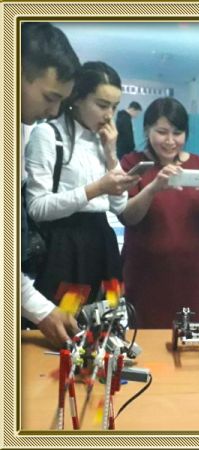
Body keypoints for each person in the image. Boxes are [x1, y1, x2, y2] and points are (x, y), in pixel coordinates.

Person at [25, 61, 140, 308]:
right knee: (68, 319)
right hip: (65, 246)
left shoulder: (104, 139)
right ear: (77, 98)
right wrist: (97, 189)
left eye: (114, 107)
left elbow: (119, 206)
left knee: (108, 316)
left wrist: (111, 154)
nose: (109, 115)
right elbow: (37, 207)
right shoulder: (48, 135)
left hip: (103, 242)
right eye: (102, 105)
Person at [119, 97, 199, 328]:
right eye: (162, 132)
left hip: (195, 275)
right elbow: (128, 216)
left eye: (177, 133)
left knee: (191, 336)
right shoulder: (133, 164)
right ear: (147, 130)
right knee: (147, 338)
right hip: (145, 275)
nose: (170, 141)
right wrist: (153, 188)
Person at [20, 22, 81, 347]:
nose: (53, 111)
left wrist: (38, 307)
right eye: (49, 97)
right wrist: (40, 308)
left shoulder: (20, 127)